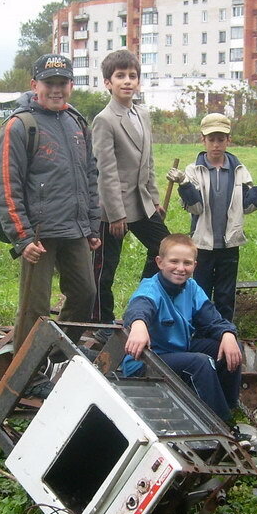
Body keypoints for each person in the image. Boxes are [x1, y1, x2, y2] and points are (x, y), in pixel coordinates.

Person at [0, 53, 101, 351]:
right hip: (38, 235)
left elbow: (90, 176)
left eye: (62, 82)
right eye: (49, 83)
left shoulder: (77, 122)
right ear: (34, 84)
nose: (56, 89)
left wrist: (92, 226)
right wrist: (22, 237)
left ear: (70, 85)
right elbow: (6, 186)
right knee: (34, 309)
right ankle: (26, 373)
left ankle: (58, 352)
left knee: (85, 294)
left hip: (75, 229)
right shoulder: (20, 126)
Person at [165, 113, 257, 321]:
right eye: (211, 139)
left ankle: (225, 334)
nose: (216, 145)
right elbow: (196, 207)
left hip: (229, 245)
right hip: (202, 245)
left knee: (225, 295)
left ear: (228, 140)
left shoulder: (239, 170)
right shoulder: (194, 171)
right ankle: (199, 332)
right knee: (199, 292)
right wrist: (184, 184)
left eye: (221, 139)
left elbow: (247, 204)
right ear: (203, 140)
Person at [122, 234, 243, 425]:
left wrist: (228, 333)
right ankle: (221, 423)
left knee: (231, 346)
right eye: (174, 261)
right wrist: (138, 325)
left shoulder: (192, 288)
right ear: (160, 262)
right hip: (147, 360)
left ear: (195, 265)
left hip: (179, 351)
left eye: (187, 263)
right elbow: (139, 307)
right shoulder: (150, 288)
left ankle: (228, 405)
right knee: (200, 363)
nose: (180, 268)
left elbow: (211, 318)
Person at [91, 50, 170, 334]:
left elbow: (148, 161)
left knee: (165, 249)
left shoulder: (142, 113)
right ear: (107, 83)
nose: (127, 81)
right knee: (105, 270)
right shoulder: (104, 120)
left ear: (138, 81)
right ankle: (101, 324)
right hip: (112, 210)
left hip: (142, 203)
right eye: (120, 76)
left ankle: (142, 302)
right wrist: (114, 215)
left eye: (132, 76)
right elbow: (106, 171)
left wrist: (154, 198)